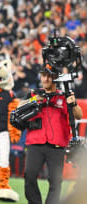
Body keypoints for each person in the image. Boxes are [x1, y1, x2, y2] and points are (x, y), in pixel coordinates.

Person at [22, 67, 82, 204]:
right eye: (43, 76)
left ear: (56, 77)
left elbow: (79, 115)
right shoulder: (33, 94)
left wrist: (73, 103)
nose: (46, 79)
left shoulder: (63, 95)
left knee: (56, 181)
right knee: (29, 176)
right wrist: (34, 100)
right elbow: (19, 107)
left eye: (49, 76)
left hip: (57, 145)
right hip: (35, 143)